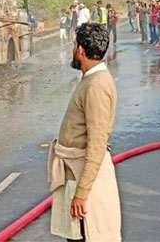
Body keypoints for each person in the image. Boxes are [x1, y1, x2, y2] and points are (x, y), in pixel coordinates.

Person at [48, 23, 121, 241]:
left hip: (85, 182)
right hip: (78, 177)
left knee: (85, 236)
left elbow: (97, 144)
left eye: (73, 45)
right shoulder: (92, 80)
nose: (73, 50)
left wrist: (82, 193)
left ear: (80, 50)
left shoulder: (95, 86)